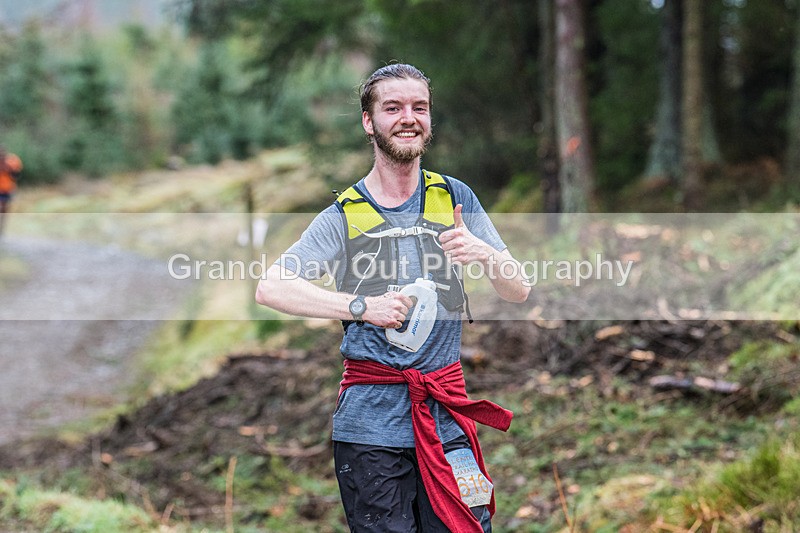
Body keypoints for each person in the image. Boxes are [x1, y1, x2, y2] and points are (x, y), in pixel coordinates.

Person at [255, 63, 530, 532]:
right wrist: (363, 307)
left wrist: (483, 252)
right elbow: (271, 287)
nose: (409, 117)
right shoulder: (344, 214)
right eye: (393, 108)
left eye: (419, 107)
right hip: (371, 434)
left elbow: (519, 288)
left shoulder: (455, 197)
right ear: (369, 121)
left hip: (448, 419)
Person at [0, 147, 23, 237]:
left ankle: (2, 229)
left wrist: (8, 169)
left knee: (5, 210)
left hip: (7, 189)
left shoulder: (12, 161)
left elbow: (16, 176)